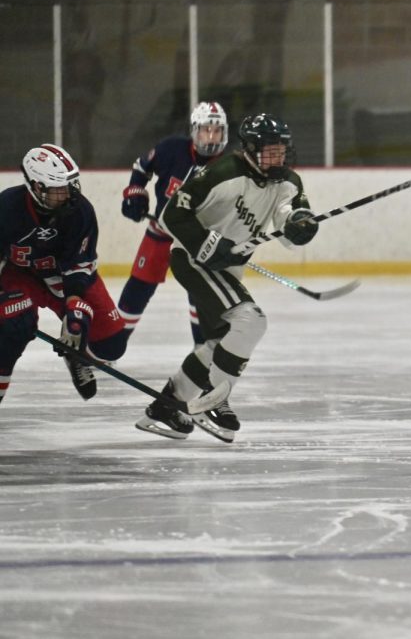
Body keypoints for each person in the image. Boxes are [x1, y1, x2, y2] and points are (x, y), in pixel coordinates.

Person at [135, 113, 318, 442]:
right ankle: (212, 401)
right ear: (250, 149)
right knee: (250, 321)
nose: (278, 157)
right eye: (270, 150)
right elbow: (172, 213)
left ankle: (166, 407)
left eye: (281, 150)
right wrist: (206, 242)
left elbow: (288, 223)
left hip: (227, 269)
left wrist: (299, 225)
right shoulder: (222, 174)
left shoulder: (288, 182)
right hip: (193, 260)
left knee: (219, 343)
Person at [0, 144, 130, 406]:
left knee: (112, 344)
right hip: (20, 276)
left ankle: (76, 355)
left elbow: (79, 266)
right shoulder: (7, 208)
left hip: (63, 277)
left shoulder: (80, 211)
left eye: (70, 185)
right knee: (15, 326)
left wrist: (74, 305)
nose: (69, 194)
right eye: (60, 188)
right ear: (36, 188)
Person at [116, 102, 229, 349]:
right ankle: (111, 343)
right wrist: (135, 193)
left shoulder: (230, 165)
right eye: (205, 130)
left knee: (200, 293)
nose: (211, 136)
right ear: (194, 131)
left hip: (198, 241)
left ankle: (203, 351)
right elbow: (141, 167)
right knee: (138, 287)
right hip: (162, 232)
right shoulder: (171, 149)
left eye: (216, 130)